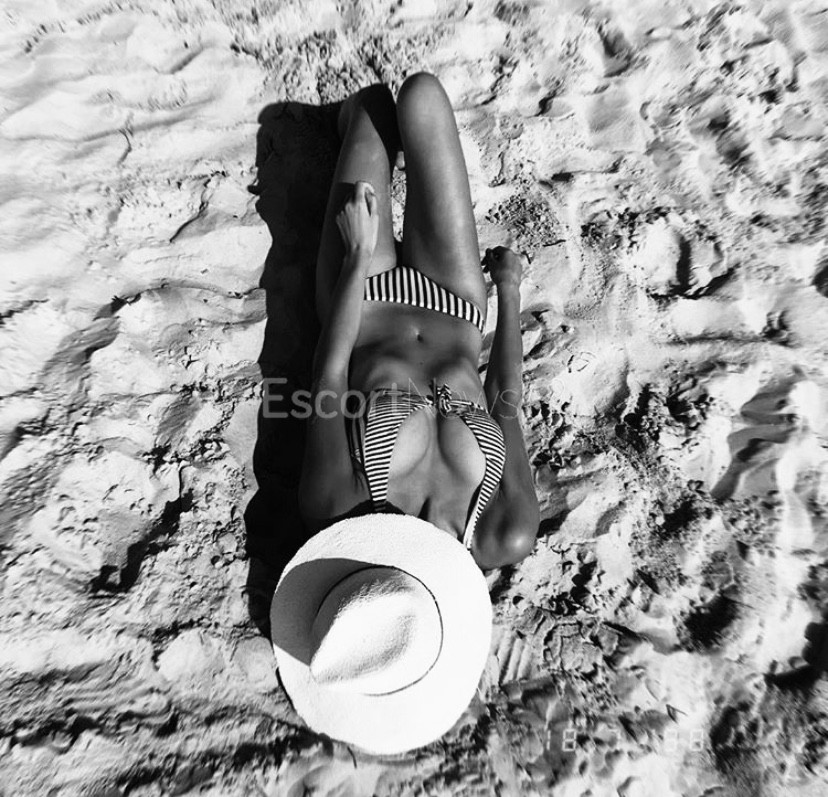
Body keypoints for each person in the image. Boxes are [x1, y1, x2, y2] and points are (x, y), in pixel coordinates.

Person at [297, 72, 540, 571]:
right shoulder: (503, 533)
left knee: (372, 108)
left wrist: (358, 254)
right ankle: (396, 157)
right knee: (422, 94)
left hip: (364, 296)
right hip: (455, 302)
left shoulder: (338, 512)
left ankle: (363, 136)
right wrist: (509, 288)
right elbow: (505, 401)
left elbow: (329, 375)